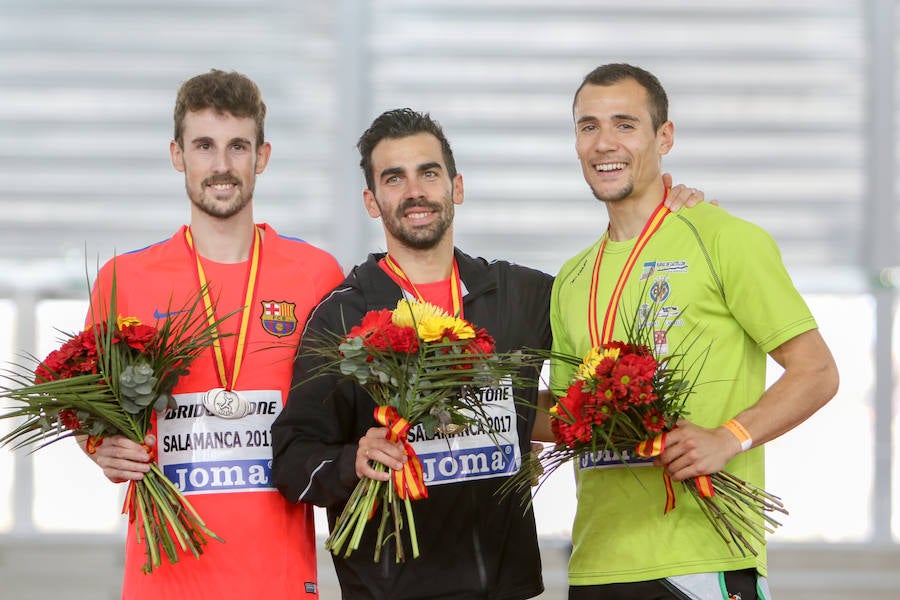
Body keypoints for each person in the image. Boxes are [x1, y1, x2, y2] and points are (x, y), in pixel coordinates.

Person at [270, 108, 705, 599]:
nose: (415, 191)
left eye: (429, 173)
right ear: (372, 201)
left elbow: (614, 302)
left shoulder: (520, 294)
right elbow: (290, 461)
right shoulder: (342, 317)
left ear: (456, 186)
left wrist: (660, 217)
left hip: (508, 588)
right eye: (395, 178)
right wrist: (355, 460)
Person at [550, 63, 840, 600]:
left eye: (624, 124)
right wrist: (468, 406)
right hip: (595, 564)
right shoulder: (572, 276)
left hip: (702, 558)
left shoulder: (725, 238)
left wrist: (728, 438)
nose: (603, 142)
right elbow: (571, 416)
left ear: (666, 137)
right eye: (587, 126)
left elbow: (818, 371)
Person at [84, 69, 344, 599]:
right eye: (204, 146)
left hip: (280, 578)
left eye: (237, 146)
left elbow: (341, 413)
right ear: (177, 154)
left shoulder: (317, 274)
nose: (222, 166)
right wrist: (100, 448)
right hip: (164, 581)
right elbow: (89, 406)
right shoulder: (123, 280)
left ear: (262, 156)